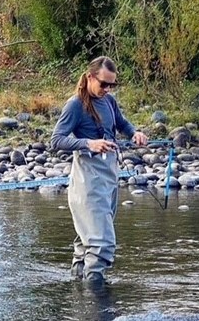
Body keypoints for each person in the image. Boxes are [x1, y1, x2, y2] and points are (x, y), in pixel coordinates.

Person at [51, 56, 147, 283]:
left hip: (108, 179)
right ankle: (97, 304)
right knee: (101, 243)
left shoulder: (109, 102)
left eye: (112, 85)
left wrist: (135, 133)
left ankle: (81, 299)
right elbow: (56, 140)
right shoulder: (75, 104)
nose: (107, 89)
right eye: (103, 84)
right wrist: (88, 143)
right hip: (87, 182)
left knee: (87, 240)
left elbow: (122, 123)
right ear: (89, 77)